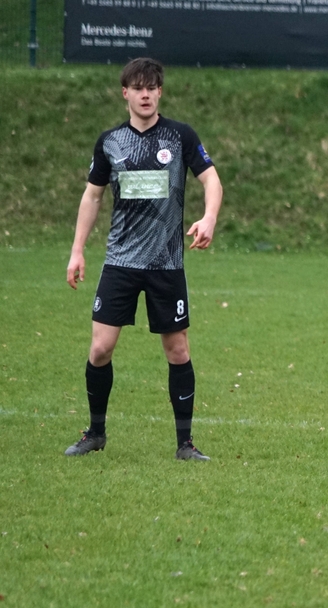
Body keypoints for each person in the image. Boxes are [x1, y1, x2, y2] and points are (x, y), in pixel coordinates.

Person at [64, 57, 222, 460]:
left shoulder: (180, 136)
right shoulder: (110, 142)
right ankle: (95, 433)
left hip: (166, 264)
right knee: (100, 349)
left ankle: (185, 444)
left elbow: (211, 179)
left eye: (152, 87)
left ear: (160, 92)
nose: (145, 94)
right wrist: (77, 250)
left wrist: (209, 217)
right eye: (138, 88)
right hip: (120, 261)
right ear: (126, 93)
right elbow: (93, 196)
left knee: (178, 351)